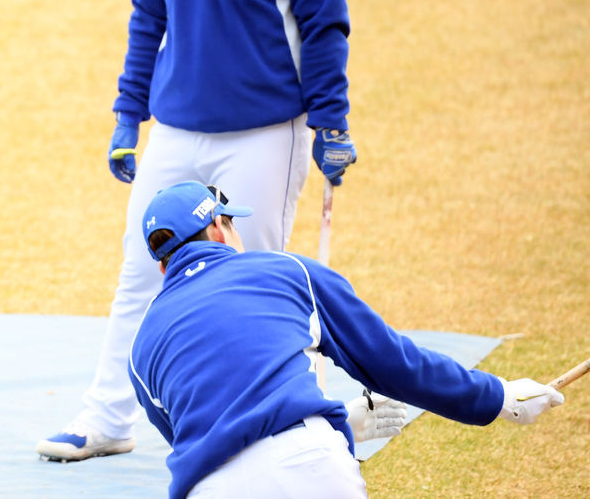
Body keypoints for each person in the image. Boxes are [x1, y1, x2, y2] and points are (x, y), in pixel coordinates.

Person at [38, 0, 358, 460]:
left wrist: (331, 123)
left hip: (266, 133)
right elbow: (146, 23)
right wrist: (127, 118)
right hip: (177, 128)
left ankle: (268, 421)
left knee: (254, 276)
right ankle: (108, 419)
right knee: (140, 268)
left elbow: (324, 27)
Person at [126, 181, 564, 499]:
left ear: (163, 267)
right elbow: (394, 363)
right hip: (312, 467)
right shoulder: (286, 270)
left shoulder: (139, 348)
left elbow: (201, 435)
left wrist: (335, 422)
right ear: (219, 229)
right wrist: (498, 396)